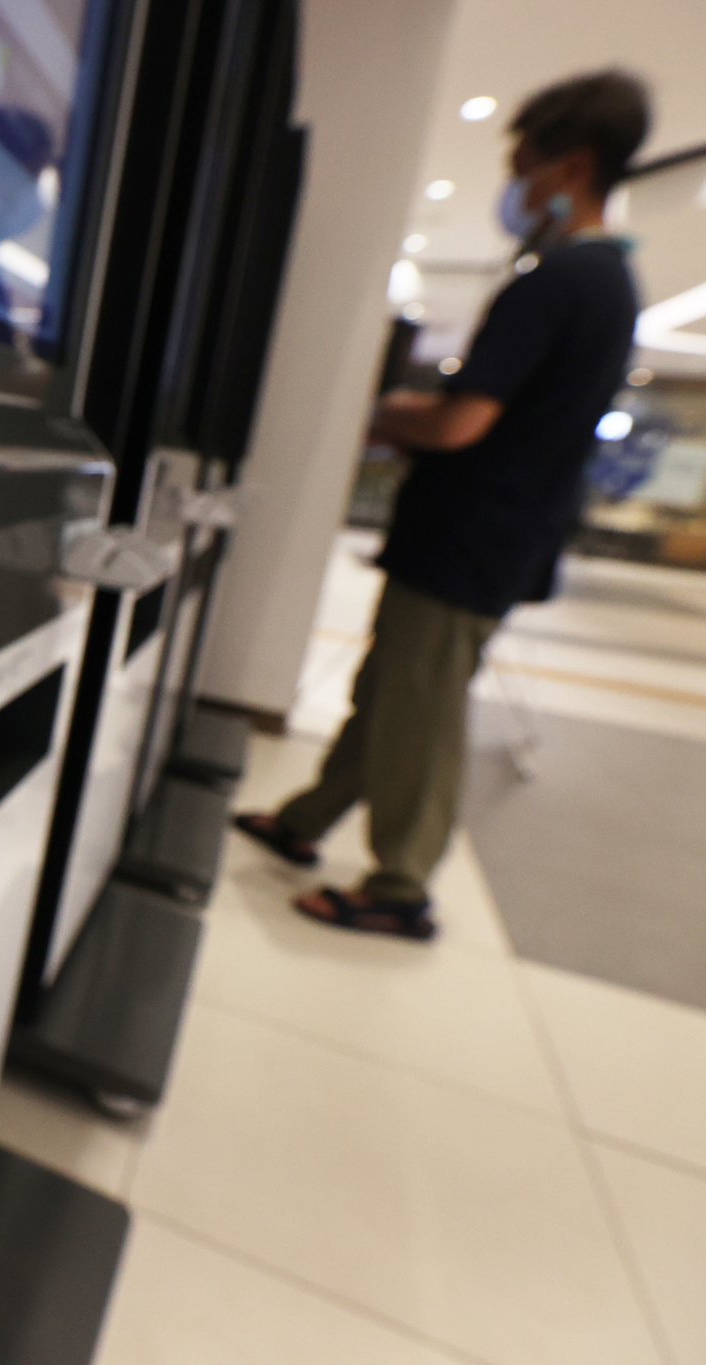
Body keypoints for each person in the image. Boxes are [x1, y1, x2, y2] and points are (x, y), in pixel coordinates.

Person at [234, 69, 650, 940]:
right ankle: (305, 820)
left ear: (570, 166)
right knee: (388, 687)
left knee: (416, 709)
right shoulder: (609, 285)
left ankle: (399, 886)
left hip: (468, 537)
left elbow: (461, 421)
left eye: (524, 162)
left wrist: (380, 407)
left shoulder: (554, 281)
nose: (515, 182)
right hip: (491, 536)